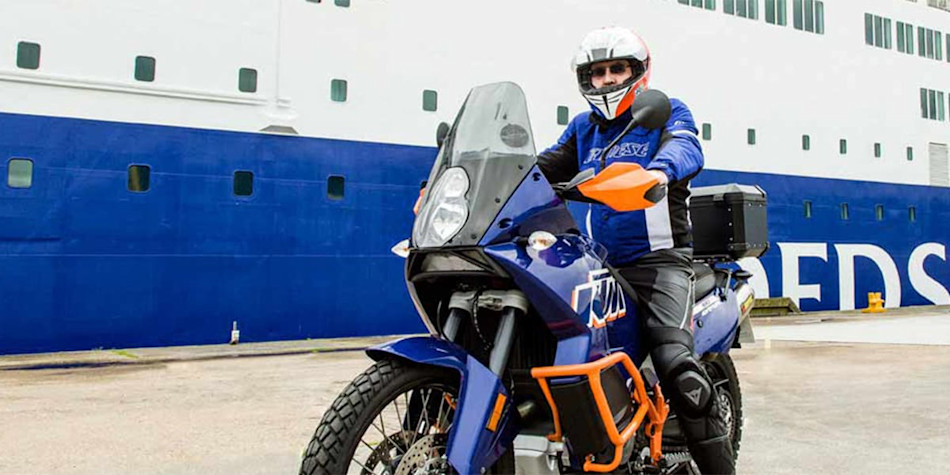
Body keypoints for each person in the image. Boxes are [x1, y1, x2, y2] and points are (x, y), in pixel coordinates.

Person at [537, 27, 735, 474]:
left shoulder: (665, 112)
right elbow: (542, 167)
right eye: (597, 72)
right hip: (597, 265)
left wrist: (659, 173)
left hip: (660, 264)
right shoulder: (583, 128)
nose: (607, 80)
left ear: (638, 72)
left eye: (617, 69)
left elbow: (686, 147)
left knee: (677, 368)